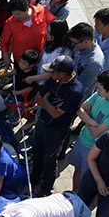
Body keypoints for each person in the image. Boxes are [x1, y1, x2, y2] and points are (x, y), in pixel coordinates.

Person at [28, 55, 85, 194]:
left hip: (56, 129)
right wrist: (50, 105)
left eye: (53, 71)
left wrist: (46, 102)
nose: (50, 74)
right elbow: (37, 97)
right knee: (37, 153)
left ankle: (46, 189)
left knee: (50, 160)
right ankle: (35, 178)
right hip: (42, 123)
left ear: (63, 74)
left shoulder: (75, 90)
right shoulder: (53, 80)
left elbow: (56, 114)